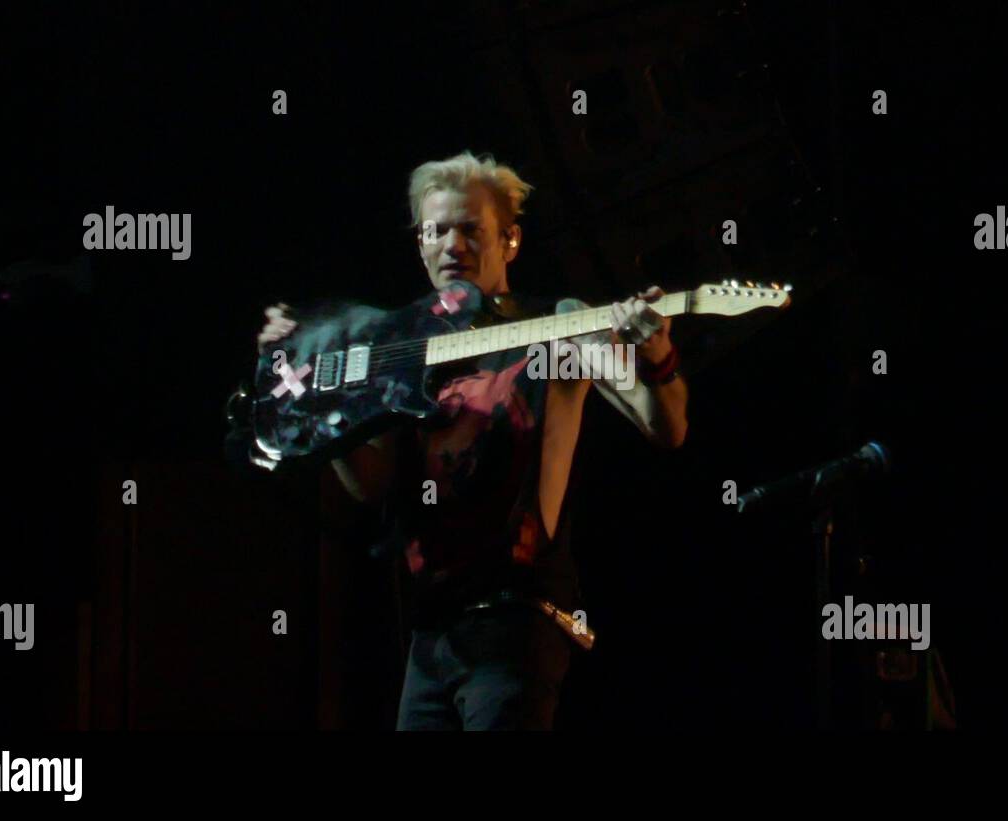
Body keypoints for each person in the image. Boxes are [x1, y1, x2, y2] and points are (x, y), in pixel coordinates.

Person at [257, 151, 688, 729]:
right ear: (419, 245)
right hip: (431, 634)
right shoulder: (405, 352)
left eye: (470, 229)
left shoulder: (560, 322)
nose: (451, 245)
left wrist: (656, 353)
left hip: (518, 620)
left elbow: (667, 427)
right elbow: (374, 484)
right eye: (435, 230)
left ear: (510, 240)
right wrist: (323, 414)